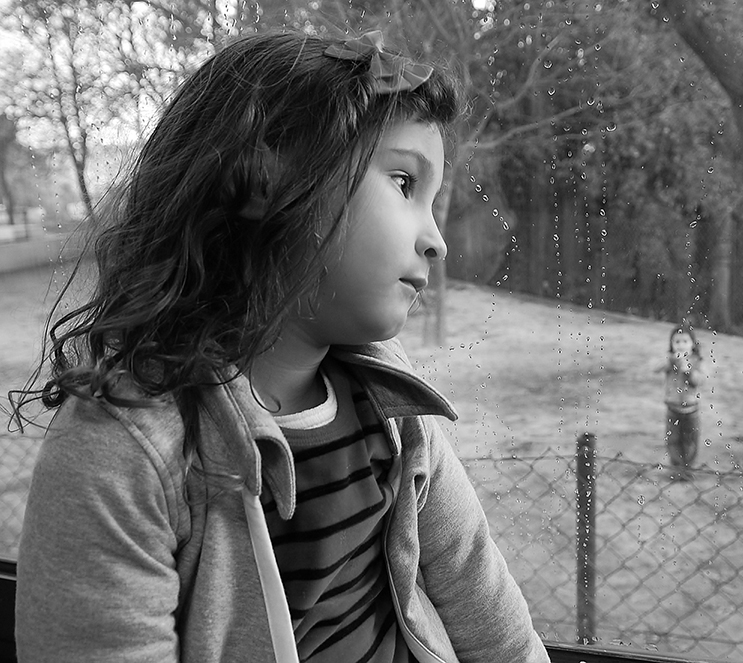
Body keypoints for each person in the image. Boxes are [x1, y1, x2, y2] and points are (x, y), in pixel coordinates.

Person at [12, 30, 550, 663]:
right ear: (265, 179)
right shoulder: (121, 449)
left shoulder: (393, 406)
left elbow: (478, 588)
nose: (437, 239)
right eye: (405, 183)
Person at [656, 325, 704, 481]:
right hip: (673, 408)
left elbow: (699, 381)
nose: (681, 345)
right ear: (671, 344)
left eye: (685, 341)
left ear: (692, 344)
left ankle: (688, 470)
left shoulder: (697, 361)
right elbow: (655, 368)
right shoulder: (669, 360)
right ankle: (676, 469)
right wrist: (671, 362)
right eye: (677, 341)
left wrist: (688, 369)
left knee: (690, 441)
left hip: (691, 410)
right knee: (673, 440)